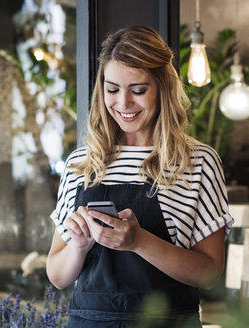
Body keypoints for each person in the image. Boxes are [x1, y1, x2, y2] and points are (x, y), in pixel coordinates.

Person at [46, 25, 234, 328]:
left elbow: (209, 274)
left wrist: (139, 241)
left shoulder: (197, 161)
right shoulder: (81, 163)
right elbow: (57, 276)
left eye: (138, 90)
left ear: (163, 87)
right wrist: (79, 246)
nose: (123, 104)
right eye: (112, 89)